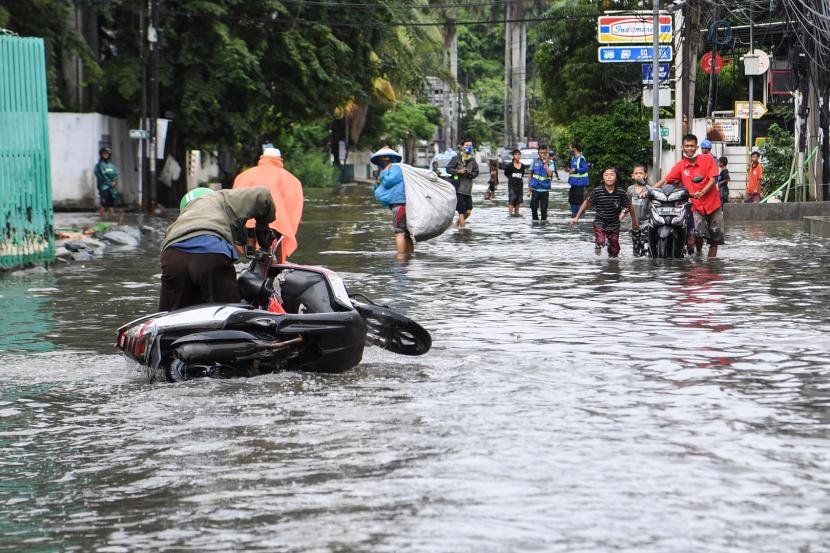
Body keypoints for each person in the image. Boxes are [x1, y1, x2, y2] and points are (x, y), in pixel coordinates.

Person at [159, 187, 276, 312]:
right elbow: (264, 195)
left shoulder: (182, 219)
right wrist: (262, 229)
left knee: (168, 318)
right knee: (229, 314)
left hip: (172, 256)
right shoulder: (223, 197)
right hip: (209, 252)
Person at [652, 133, 723, 257]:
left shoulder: (708, 159)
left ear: (696, 147)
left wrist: (702, 192)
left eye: (692, 146)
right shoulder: (681, 166)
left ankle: (712, 265)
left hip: (713, 204)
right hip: (696, 206)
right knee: (698, 234)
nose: (689, 148)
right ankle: (699, 254)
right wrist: (650, 190)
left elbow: (713, 179)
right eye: (687, 146)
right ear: (682, 147)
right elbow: (666, 180)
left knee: (715, 238)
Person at [232, 146, 303, 263]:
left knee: (251, 234)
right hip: (276, 221)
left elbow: (235, 201)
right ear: (279, 159)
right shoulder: (290, 179)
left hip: (248, 221)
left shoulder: (244, 175)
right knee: (279, 235)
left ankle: (252, 258)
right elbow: (293, 206)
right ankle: (280, 265)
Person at [571, 167, 639, 257]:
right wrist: (577, 217)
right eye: (606, 175)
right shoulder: (597, 191)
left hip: (614, 223)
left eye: (611, 175)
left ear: (616, 178)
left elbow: (630, 207)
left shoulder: (620, 192)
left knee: (614, 251)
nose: (609, 177)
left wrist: (634, 222)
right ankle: (598, 245)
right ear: (603, 178)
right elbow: (586, 203)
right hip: (600, 222)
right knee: (601, 241)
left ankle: (612, 266)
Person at [370, 146, 413, 256]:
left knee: (399, 232)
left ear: (390, 158)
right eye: (381, 159)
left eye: (385, 158)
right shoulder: (386, 170)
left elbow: (390, 181)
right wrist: (379, 179)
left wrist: (383, 174)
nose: (383, 161)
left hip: (400, 204)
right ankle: (408, 257)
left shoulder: (395, 168)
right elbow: (377, 188)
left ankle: (401, 258)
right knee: (405, 233)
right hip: (399, 205)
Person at [446, 139, 479, 228]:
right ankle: (462, 232)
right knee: (461, 211)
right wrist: (458, 171)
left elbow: (476, 172)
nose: (469, 147)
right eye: (467, 145)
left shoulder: (472, 160)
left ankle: (456, 224)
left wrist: (469, 174)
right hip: (458, 188)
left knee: (468, 211)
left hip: (467, 189)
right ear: (462, 147)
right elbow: (448, 169)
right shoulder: (456, 158)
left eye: (470, 145)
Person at [620, 164, 650, 257]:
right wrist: (621, 216)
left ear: (645, 175)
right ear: (632, 176)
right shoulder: (630, 189)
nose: (638, 175)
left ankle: (645, 264)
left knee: (644, 244)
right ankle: (637, 267)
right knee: (636, 248)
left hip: (646, 222)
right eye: (636, 173)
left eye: (641, 173)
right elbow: (627, 205)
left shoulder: (649, 189)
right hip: (634, 223)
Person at [94, 147, 123, 223]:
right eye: (104, 154)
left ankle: (111, 219)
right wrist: (109, 183)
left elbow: (116, 174)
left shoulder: (111, 165)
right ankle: (101, 220)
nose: (105, 155)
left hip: (112, 188)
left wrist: (114, 181)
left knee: (111, 204)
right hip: (104, 187)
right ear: (101, 155)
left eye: (107, 154)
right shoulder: (99, 165)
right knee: (103, 204)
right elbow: (101, 176)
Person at [528, 145, 553, 221]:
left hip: (545, 190)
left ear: (547, 153)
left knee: (543, 211)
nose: (542, 154)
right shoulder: (534, 161)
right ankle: (535, 226)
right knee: (534, 209)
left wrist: (545, 163)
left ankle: (543, 227)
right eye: (541, 153)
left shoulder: (551, 163)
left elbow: (550, 174)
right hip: (535, 189)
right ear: (538, 153)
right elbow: (530, 174)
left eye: (544, 153)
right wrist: (529, 188)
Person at [567, 143, 589, 217]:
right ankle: (573, 215)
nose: (569, 150)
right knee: (572, 199)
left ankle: (580, 216)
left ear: (575, 149)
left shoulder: (581, 158)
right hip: (573, 183)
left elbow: (585, 169)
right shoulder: (573, 158)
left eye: (570, 148)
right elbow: (572, 170)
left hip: (580, 183)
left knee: (578, 200)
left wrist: (575, 170)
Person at [503, 149, 525, 216]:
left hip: (520, 185)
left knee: (518, 201)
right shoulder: (510, 166)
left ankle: (516, 214)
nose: (518, 156)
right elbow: (506, 173)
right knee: (512, 200)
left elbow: (522, 175)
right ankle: (510, 214)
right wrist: (511, 178)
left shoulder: (523, 166)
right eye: (516, 154)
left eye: (519, 154)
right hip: (512, 186)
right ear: (513, 156)